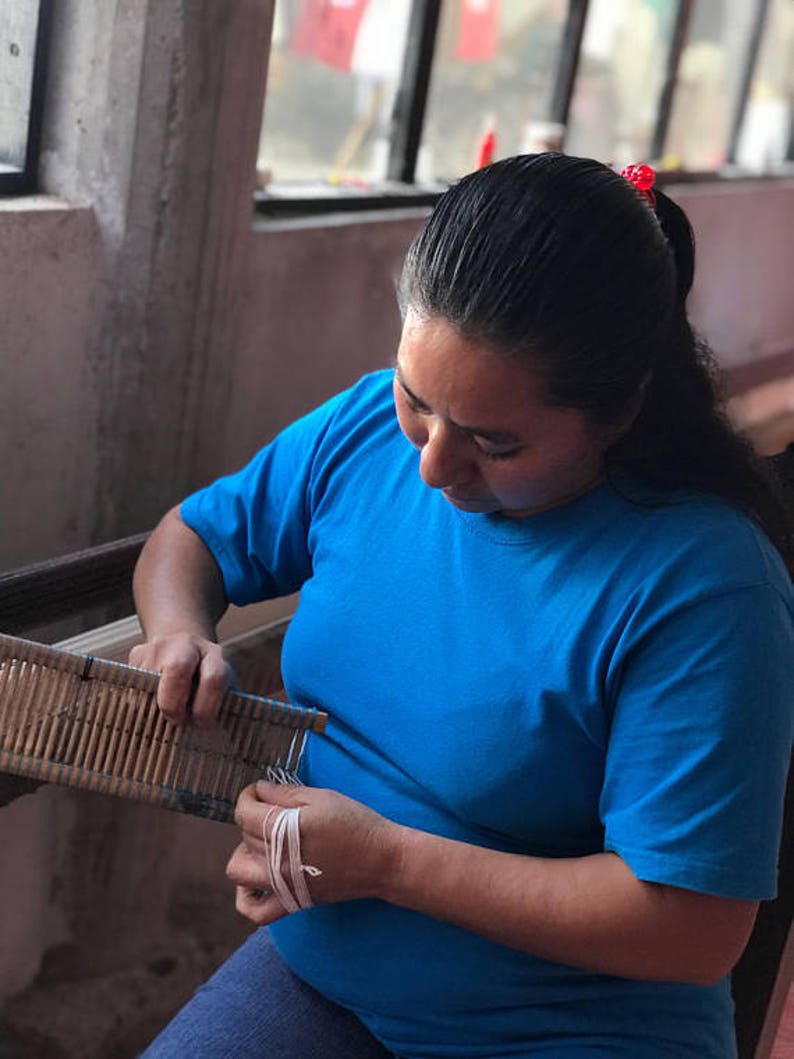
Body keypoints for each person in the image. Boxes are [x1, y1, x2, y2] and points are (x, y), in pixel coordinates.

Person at [132, 153, 793, 1059]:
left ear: (619, 411)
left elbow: (689, 925)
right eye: (418, 399)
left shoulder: (704, 584)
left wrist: (393, 864)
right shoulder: (370, 426)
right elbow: (193, 537)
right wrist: (178, 633)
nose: (434, 464)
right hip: (327, 982)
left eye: (496, 442)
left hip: (568, 1031)